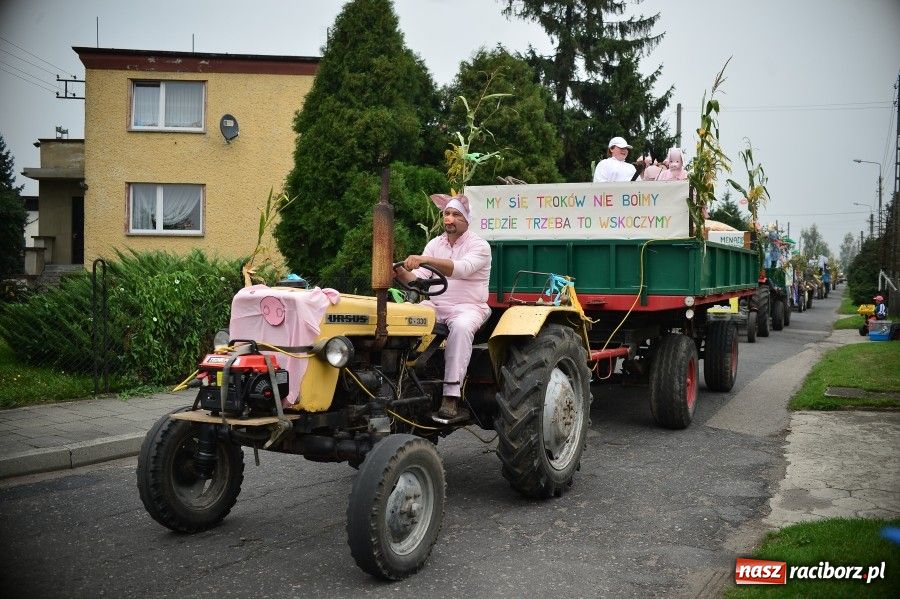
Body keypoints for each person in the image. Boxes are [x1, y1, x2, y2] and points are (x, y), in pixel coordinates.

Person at [394, 194, 491, 423]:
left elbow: (459, 269)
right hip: (436, 304)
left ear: (467, 220)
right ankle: (400, 381)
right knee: (405, 315)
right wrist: (398, 271)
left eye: (456, 214)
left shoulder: (480, 246)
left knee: (461, 327)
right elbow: (418, 280)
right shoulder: (435, 244)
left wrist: (425, 258)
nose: (449, 219)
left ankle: (451, 396)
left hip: (469, 307)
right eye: (446, 214)